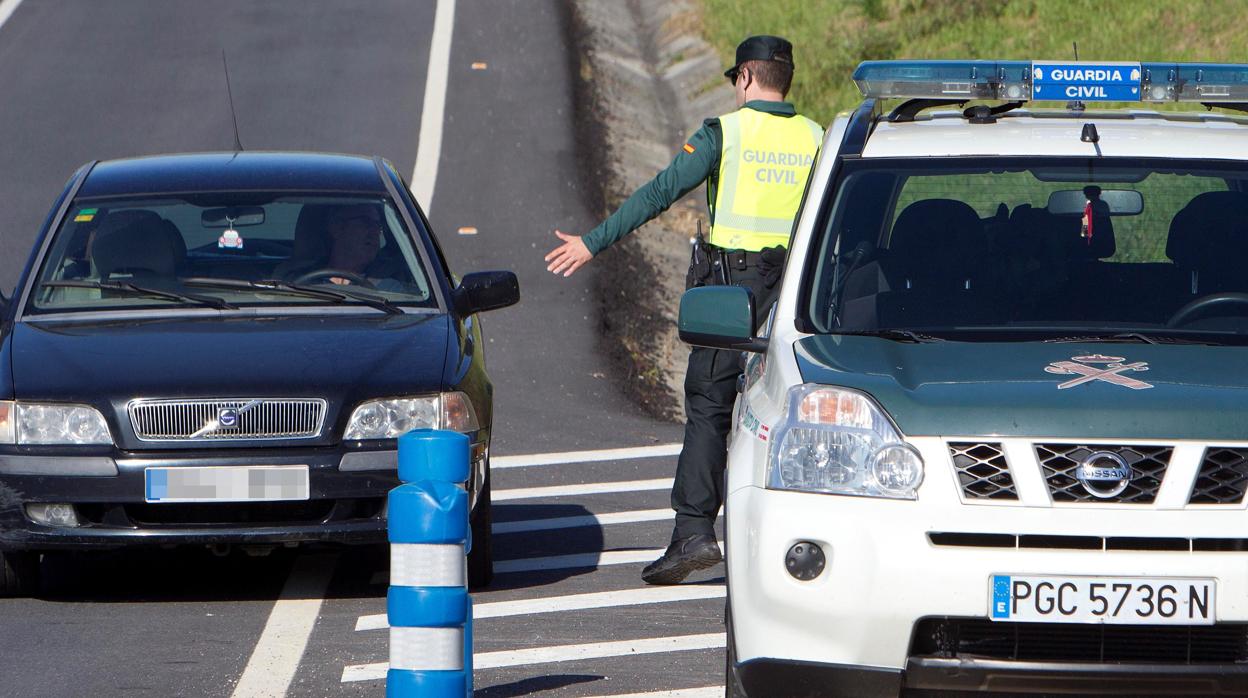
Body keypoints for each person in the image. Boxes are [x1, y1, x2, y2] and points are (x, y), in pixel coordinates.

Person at [544, 36, 823, 584]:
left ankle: (693, 534)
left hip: (731, 293)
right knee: (795, 412)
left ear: (745, 77)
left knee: (709, 408)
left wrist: (591, 243)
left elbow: (659, 193)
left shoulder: (726, 132)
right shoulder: (816, 137)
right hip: (795, 291)